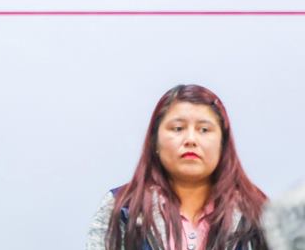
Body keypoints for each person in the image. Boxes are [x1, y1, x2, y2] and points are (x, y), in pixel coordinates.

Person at [86, 84, 267, 250]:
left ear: (223, 143)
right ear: (155, 141)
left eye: (204, 130)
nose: (191, 140)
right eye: (178, 128)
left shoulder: (257, 212)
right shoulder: (123, 208)